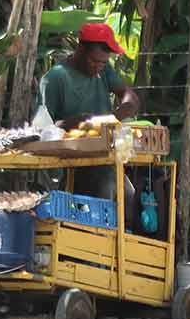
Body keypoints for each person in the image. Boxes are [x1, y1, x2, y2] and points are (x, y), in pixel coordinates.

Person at [38, 22, 141, 218]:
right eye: (94, 61)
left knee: (128, 193)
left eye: (103, 62)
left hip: (106, 163)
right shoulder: (54, 79)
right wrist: (78, 122)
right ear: (80, 49)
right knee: (102, 198)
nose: (99, 67)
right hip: (73, 168)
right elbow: (43, 130)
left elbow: (129, 95)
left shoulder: (104, 71)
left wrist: (120, 113)